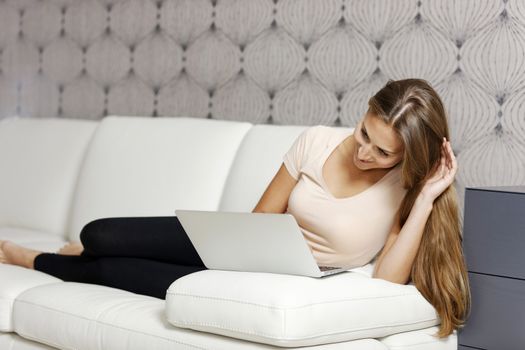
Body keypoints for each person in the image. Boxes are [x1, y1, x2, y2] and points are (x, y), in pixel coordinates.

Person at [0, 78, 470, 338]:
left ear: (408, 155)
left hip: (267, 279)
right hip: (239, 245)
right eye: (364, 133)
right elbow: (260, 216)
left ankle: (31, 258)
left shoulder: (404, 189)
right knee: (98, 233)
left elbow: (388, 279)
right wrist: (264, 240)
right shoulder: (316, 141)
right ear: (363, 115)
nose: (365, 153)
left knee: (117, 271)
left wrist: (428, 196)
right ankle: (77, 251)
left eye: (383, 152)